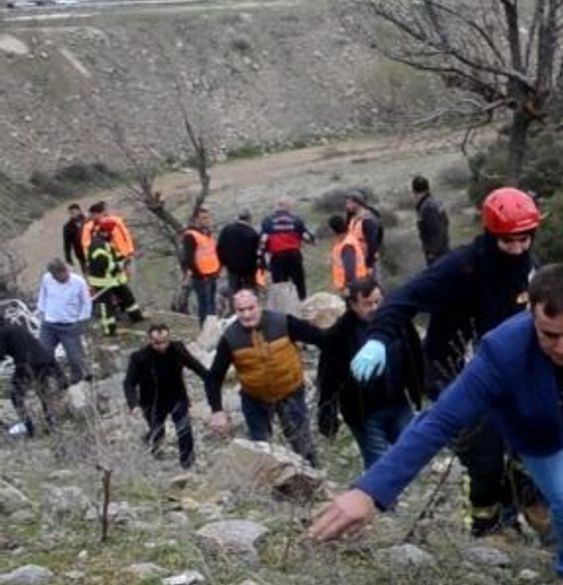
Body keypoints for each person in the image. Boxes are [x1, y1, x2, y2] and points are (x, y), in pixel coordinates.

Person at [311, 264, 563, 585]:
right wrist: (371, 490)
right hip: (538, 430)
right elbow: (439, 420)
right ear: (532, 316)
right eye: (549, 335)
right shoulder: (503, 350)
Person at [349, 186, 542, 537]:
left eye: (524, 239)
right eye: (508, 241)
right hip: (453, 369)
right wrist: (378, 338)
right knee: (484, 454)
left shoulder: (529, 268)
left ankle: (516, 508)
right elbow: (403, 299)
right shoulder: (461, 267)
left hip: (507, 372)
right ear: (491, 234)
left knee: (527, 446)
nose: (517, 248)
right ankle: (487, 526)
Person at [205, 288, 325, 466]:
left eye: (250, 308)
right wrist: (217, 411)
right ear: (235, 311)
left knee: (302, 443)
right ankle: (270, 481)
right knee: (261, 449)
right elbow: (214, 377)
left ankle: (313, 476)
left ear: (259, 305)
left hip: (290, 392)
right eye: (241, 310)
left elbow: (321, 338)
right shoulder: (230, 337)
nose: (246, 314)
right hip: (255, 398)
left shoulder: (283, 322)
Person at [316, 277, 425, 469]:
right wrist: (327, 416)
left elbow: (415, 355)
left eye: (377, 302)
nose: (375, 308)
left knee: (411, 452)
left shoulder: (397, 322)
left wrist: (421, 389)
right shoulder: (339, 336)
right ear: (353, 305)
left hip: (398, 402)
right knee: (379, 465)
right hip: (364, 413)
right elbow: (328, 379)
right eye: (367, 304)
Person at [123, 324, 210, 469]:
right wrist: (133, 404)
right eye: (157, 343)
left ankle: (187, 463)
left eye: (165, 342)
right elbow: (129, 383)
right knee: (158, 432)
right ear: (150, 340)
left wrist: (211, 379)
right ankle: (156, 455)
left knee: (184, 431)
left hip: (177, 397)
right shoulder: (139, 357)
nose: (162, 346)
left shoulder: (178, 349)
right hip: (152, 402)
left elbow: (195, 366)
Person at [0, 322, 67, 437]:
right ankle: (52, 425)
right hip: (45, 360)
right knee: (43, 394)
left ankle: (29, 428)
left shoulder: (2, 332)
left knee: (16, 397)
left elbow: (1, 354)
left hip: (27, 365)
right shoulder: (15, 327)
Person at [36, 258, 92, 384]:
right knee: (43, 352)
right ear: (53, 275)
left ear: (66, 270)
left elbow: (86, 303)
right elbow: (42, 296)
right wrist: (42, 312)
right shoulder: (47, 279)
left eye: (64, 274)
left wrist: (82, 320)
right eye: (58, 277)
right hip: (49, 324)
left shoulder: (79, 282)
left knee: (75, 357)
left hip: (69, 326)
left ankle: (79, 376)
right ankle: (58, 377)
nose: (62, 278)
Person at [84, 220, 144, 336]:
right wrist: (119, 266)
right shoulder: (98, 245)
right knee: (106, 305)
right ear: (105, 232)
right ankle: (109, 330)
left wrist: (121, 260)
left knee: (127, 296)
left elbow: (111, 257)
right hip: (103, 281)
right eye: (111, 232)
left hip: (113, 279)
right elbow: (102, 264)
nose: (112, 235)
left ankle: (137, 317)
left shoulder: (104, 242)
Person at [260, 199, 314, 300]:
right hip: (294, 255)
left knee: (279, 285)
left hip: (277, 257)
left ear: (276, 207)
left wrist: (262, 256)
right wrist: (311, 241)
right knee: (299, 282)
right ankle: (302, 301)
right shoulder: (296, 220)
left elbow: (262, 240)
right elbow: (307, 237)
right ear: (288, 207)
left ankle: (283, 305)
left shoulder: (267, 221)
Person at [179, 207, 222, 327]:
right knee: (204, 306)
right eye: (203, 218)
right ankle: (205, 329)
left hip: (212, 274)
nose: (206, 220)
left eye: (207, 217)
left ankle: (212, 328)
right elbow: (189, 259)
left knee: (212, 304)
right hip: (201, 277)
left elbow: (212, 252)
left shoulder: (207, 233)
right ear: (195, 219)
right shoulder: (190, 235)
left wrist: (218, 268)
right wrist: (200, 275)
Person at [79, 201, 136, 274]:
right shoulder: (88, 227)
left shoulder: (116, 221)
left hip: (123, 254)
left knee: (128, 275)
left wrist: (130, 251)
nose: (93, 216)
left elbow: (126, 235)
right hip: (107, 258)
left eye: (94, 214)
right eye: (92, 214)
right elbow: (86, 245)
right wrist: (89, 259)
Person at [217, 210, 263, 292]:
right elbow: (258, 252)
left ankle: (233, 299)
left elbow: (219, 248)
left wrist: (224, 262)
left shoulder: (226, 229)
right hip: (248, 269)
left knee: (233, 289)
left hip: (231, 267)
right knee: (249, 291)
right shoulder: (252, 233)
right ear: (249, 219)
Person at [413, 175, 450, 266]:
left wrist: (433, 252)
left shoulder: (427, 208)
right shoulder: (435, 202)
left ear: (414, 192)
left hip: (437, 254)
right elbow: (446, 222)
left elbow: (437, 230)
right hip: (443, 248)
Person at [345, 190, 383, 276]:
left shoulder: (368, 220)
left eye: (349, 203)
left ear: (357, 203)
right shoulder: (352, 218)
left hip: (366, 259)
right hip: (356, 259)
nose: (347, 206)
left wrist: (369, 264)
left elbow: (372, 243)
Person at [328, 214, 368, 293]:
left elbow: (350, 270)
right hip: (354, 283)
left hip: (352, 286)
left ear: (333, 230)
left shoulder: (347, 245)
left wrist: (349, 288)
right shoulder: (346, 240)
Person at [62, 204, 86, 271]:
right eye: (71, 213)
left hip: (92, 249)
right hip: (81, 253)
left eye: (74, 212)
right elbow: (67, 244)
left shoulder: (88, 220)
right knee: (86, 270)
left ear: (79, 211)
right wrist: (68, 258)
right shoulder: (68, 227)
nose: (73, 214)